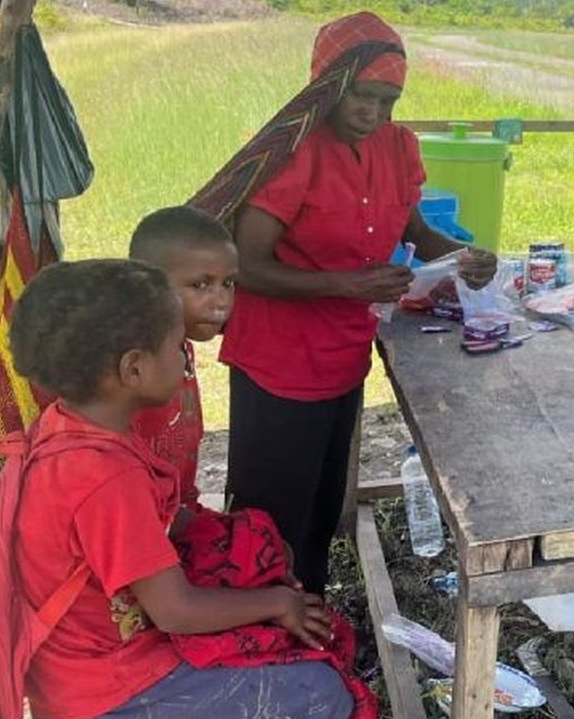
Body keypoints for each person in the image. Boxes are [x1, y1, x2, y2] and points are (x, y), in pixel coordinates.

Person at [188, 11, 497, 596]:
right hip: (278, 361)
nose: (373, 113)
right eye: (362, 96)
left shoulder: (397, 147)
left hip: (343, 353)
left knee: (321, 505)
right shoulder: (296, 152)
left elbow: (420, 235)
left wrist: (466, 255)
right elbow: (243, 264)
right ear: (327, 85)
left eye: (388, 100)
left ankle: (309, 606)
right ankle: (259, 627)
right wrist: (345, 285)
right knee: (269, 514)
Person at [8, 259, 352, 719]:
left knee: (256, 549)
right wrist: (277, 603)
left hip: (89, 659)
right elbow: (176, 611)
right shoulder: (104, 477)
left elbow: (162, 522)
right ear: (133, 370)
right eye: (177, 348)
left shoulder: (72, 426)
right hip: (106, 691)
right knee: (322, 691)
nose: (184, 359)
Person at [128, 205, 238, 528]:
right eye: (201, 285)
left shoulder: (180, 348)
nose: (221, 301)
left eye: (228, 283)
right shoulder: (134, 371)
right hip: (140, 533)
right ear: (147, 283)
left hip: (174, 515)